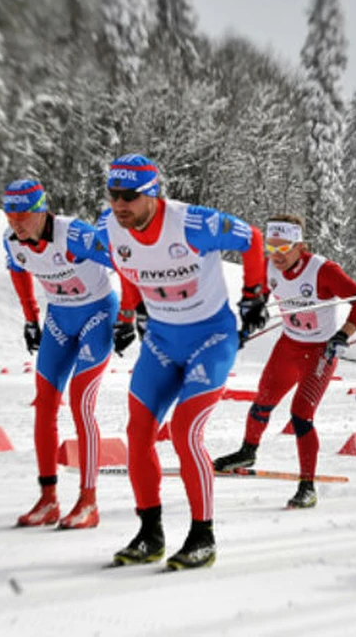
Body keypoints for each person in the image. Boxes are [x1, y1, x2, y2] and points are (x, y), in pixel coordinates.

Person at [97, 153, 267, 570]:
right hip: (160, 341)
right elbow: (129, 268)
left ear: (153, 194)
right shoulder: (108, 226)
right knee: (138, 432)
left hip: (211, 338)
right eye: (113, 195)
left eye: (129, 196)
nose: (119, 204)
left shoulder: (193, 224)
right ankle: (149, 534)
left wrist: (255, 293)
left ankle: (202, 535)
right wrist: (128, 313)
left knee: (185, 431)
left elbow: (253, 238)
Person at [213, 214, 356, 508]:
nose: (276, 256)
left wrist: (342, 335)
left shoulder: (323, 270)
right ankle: (248, 451)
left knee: (301, 414)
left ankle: (307, 486)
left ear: (300, 245)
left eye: (283, 249)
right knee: (263, 400)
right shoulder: (270, 266)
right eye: (270, 249)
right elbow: (259, 297)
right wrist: (248, 325)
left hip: (320, 350)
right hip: (289, 345)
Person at [2, 179, 118, 530]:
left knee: (82, 403)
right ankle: (48, 499)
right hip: (58, 320)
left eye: (23, 215)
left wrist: (131, 314)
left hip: (98, 316)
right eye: (9, 215)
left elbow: (124, 263)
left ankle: (89, 501)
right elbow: (18, 270)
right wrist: (29, 319)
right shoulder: (12, 241)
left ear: (41, 211)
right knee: (45, 404)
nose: (16, 223)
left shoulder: (76, 236)